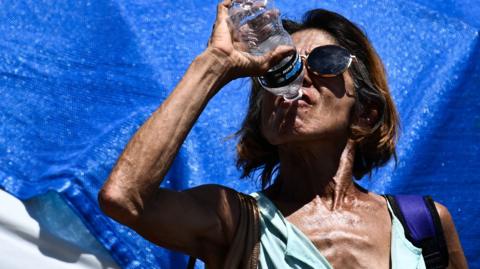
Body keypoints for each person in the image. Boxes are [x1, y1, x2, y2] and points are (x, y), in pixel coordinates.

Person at [98, 0, 468, 268]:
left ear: (366, 114)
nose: (300, 77)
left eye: (325, 62)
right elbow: (124, 198)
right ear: (263, 116)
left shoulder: (424, 226)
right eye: (281, 68)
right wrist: (215, 63)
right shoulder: (235, 222)